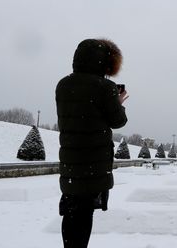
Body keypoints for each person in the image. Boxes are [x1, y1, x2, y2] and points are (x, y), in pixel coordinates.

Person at [56, 38, 128, 248]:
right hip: (92, 162)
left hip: (70, 160)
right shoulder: (105, 87)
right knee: (84, 214)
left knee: (71, 212)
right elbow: (118, 121)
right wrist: (118, 102)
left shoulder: (63, 84)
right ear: (105, 63)